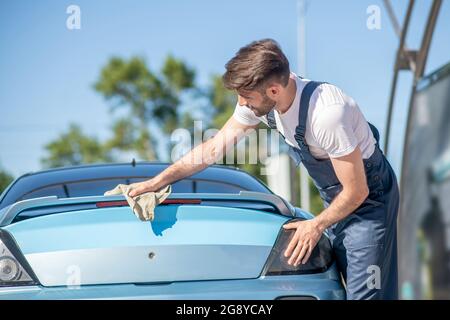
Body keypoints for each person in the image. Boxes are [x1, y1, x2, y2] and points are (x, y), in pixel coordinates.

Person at [128, 39, 400, 300]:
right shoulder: (262, 101)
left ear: (273, 91)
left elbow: (357, 191)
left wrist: (316, 224)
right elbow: (212, 149)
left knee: (366, 291)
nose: (242, 104)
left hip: (368, 202)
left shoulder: (327, 114)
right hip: (337, 199)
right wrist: (156, 182)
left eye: (246, 98)